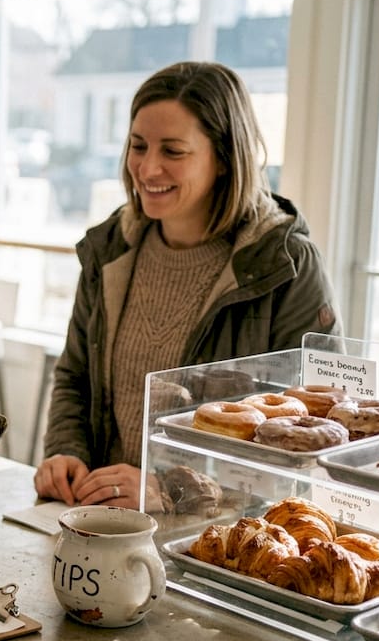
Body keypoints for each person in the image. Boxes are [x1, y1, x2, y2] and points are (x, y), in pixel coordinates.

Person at [33, 61, 341, 510]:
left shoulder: (288, 265)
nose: (147, 168)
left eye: (173, 151)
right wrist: (66, 452)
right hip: (99, 521)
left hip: (220, 541)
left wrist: (171, 488)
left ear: (224, 157)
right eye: (138, 146)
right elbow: (75, 377)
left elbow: (309, 440)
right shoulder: (108, 250)